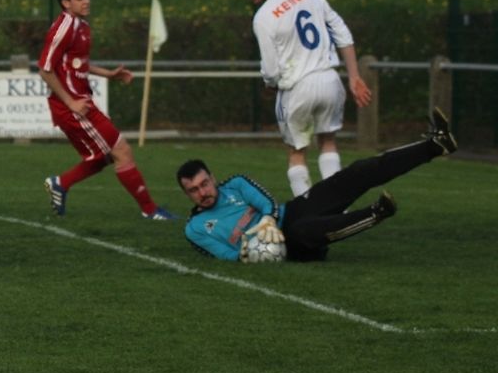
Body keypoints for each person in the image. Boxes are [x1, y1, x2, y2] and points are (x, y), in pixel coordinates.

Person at [176, 108, 457, 262]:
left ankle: (435, 145)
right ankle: (375, 213)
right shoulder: (195, 229)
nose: (203, 193)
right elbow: (227, 256)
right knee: (304, 231)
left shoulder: (236, 184)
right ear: (187, 194)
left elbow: (267, 204)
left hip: (291, 212)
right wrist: (255, 249)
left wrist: (267, 222)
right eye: (194, 190)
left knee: (356, 173)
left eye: (204, 184)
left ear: (212, 177)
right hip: (288, 248)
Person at [38, 0, 175, 220]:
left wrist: (108, 74)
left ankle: (61, 183)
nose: (86, 1)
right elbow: (45, 69)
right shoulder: (64, 27)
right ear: (66, 3)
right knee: (121, 150)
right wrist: (70, 102)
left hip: (80, 103)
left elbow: (77, 64)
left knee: (105, 156)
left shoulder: (81, 26)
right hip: (71, 106)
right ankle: (150, 211)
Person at [237, 0, 374, 197]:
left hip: (298, 88)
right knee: (328, 142)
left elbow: (271, 69)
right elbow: (342, 33)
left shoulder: (264, 16)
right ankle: (337, 204)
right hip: (330, 81)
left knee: (297, 152)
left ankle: (308, 209)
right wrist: (354, 77)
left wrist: (270, 84)